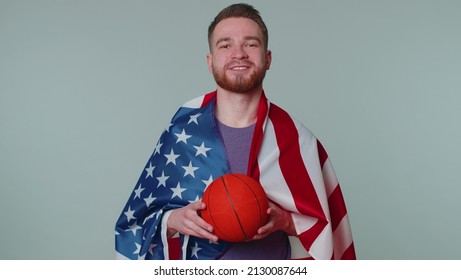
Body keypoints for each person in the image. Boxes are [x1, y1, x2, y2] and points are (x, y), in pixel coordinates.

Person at [115, 3, 356, 260]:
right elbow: (133, 225)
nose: (238, 54)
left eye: (250, 44)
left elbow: (329, 233)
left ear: (268, 58)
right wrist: (172, 220)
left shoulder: (297, 140)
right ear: (210, 61)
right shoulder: (181, 133)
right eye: (225, 45)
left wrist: (287, 221)